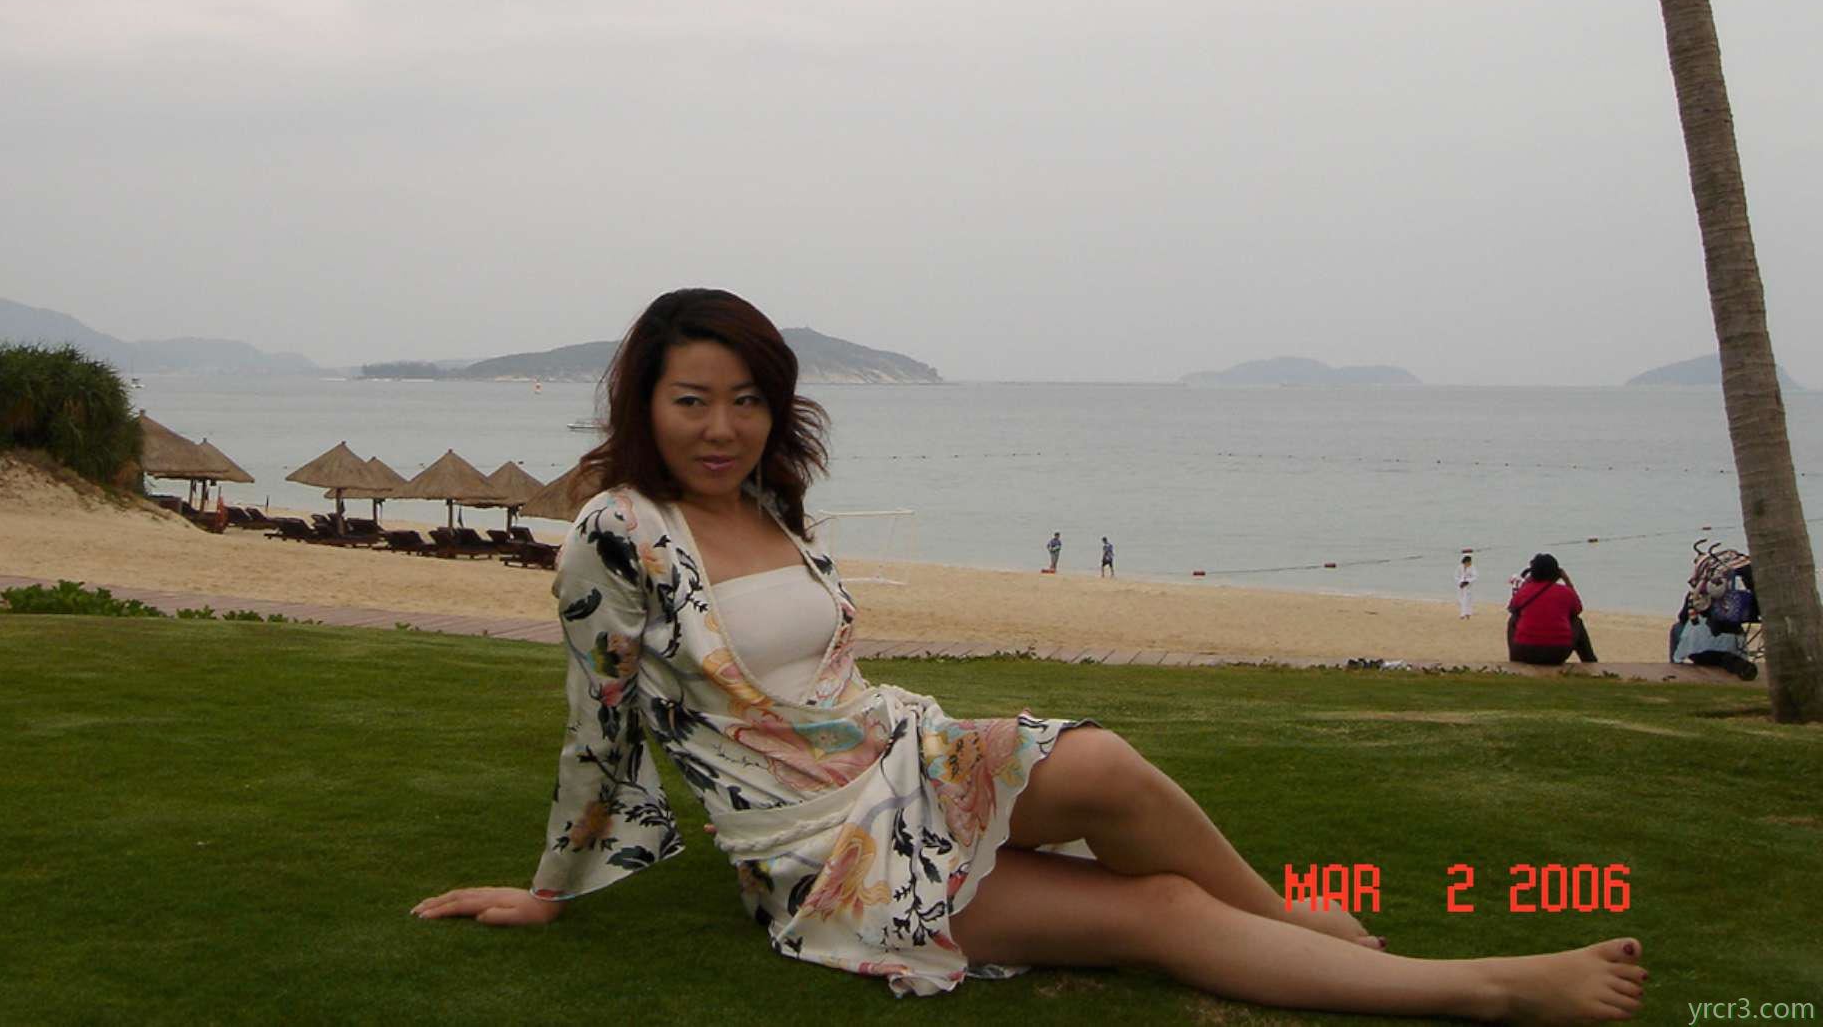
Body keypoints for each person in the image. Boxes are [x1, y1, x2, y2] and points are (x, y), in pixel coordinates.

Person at [415, 289, 1647, 1019]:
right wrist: (548, 887)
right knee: (1155, 912)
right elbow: (600, 719)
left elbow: (818, 672)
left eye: (745, 399)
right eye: (692, 400)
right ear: (644, 402)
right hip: (822, 852)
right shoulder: (617, 532)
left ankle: (1284, 917)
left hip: (905, 758)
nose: (721, 426)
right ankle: (1487, 989)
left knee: (1099, 761)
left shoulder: (771, 504)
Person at [1507, 553, 1599, 665]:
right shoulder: (1566, 592)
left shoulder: (1524, 591)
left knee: (1513, 619)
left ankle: (1514, 660)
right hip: (1558, 652)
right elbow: (1577, 610)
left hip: (1524, 651)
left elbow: (1513, 608)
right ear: (1556, 573)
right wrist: (1567, 580)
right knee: (1577, 622)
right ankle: (1589, 660)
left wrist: (1527, 582)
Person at [1456, 554, 1476, 619]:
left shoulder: (1472, 568)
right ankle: (1463, 613)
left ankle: (1467, 614)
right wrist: (1460, 582)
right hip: (1461, 585)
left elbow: (1475, 577)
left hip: (1468, 586)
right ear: (1466, 562)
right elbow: (1456, 576)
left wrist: (1467, 581)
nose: (1470, 563)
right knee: (1461, 599)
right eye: (1469, 562)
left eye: (1470, 562)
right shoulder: (1460, 567)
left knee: (1468, 600)